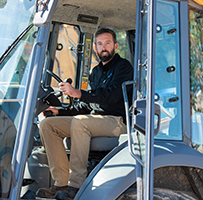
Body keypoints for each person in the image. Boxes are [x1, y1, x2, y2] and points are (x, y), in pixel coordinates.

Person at [36, 28, 133, 199]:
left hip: (117, 121)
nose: (103, 47)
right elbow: (86, 105)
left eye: (107, 43)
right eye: (100, 44)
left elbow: (112, 96)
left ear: (115, 46)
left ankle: (76, 185)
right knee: (47, 125)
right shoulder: (95, 72)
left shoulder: (124, 67)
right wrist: (59, 111)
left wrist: (78, 93)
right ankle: (61, 183)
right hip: (94, 119)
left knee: (80, 122)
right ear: (95, 47)